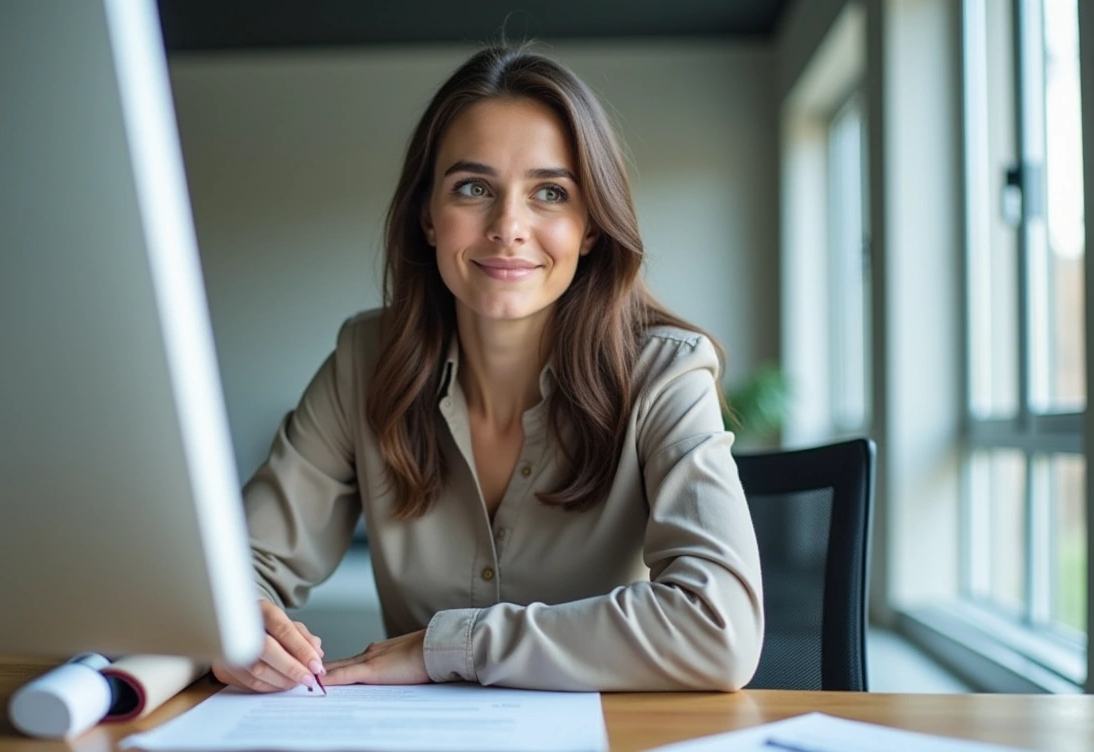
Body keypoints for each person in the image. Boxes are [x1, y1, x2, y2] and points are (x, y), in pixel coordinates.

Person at [210, 44, 764, 694]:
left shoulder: (664, 373)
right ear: (427, 216)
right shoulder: (366, 360)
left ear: (590, 227)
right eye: (474, 189)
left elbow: (719, 627)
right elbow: (235, 570)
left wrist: (448, 646)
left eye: (550, 193)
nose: (508, 226)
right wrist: (236, 623)